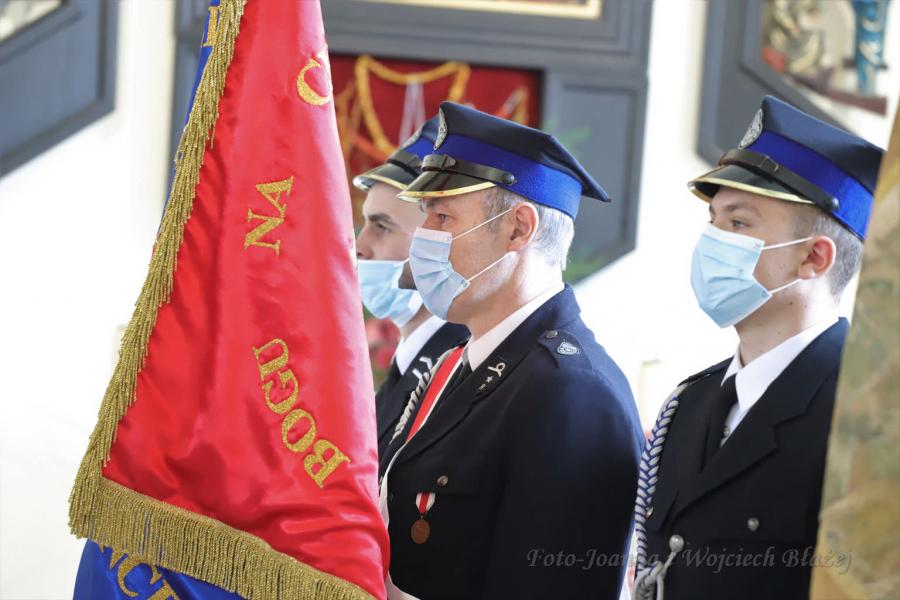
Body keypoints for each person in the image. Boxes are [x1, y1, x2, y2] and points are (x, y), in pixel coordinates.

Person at [379, 102, 643, 599]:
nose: (423, 238)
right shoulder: (459, 362)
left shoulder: (571, 393)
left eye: (443, 216)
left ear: (519, 228)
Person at [633, 95, 884, 600]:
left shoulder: (866, 416)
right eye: (713, 220)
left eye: (739, 224)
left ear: (814, 258)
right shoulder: (688, 402)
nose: (712, 240)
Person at [354, 116, 469, 464]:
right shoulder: (415, 358)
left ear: (438, 243)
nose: (359, 246)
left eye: (382, 227)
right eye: (365, 224)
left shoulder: (460, 370)